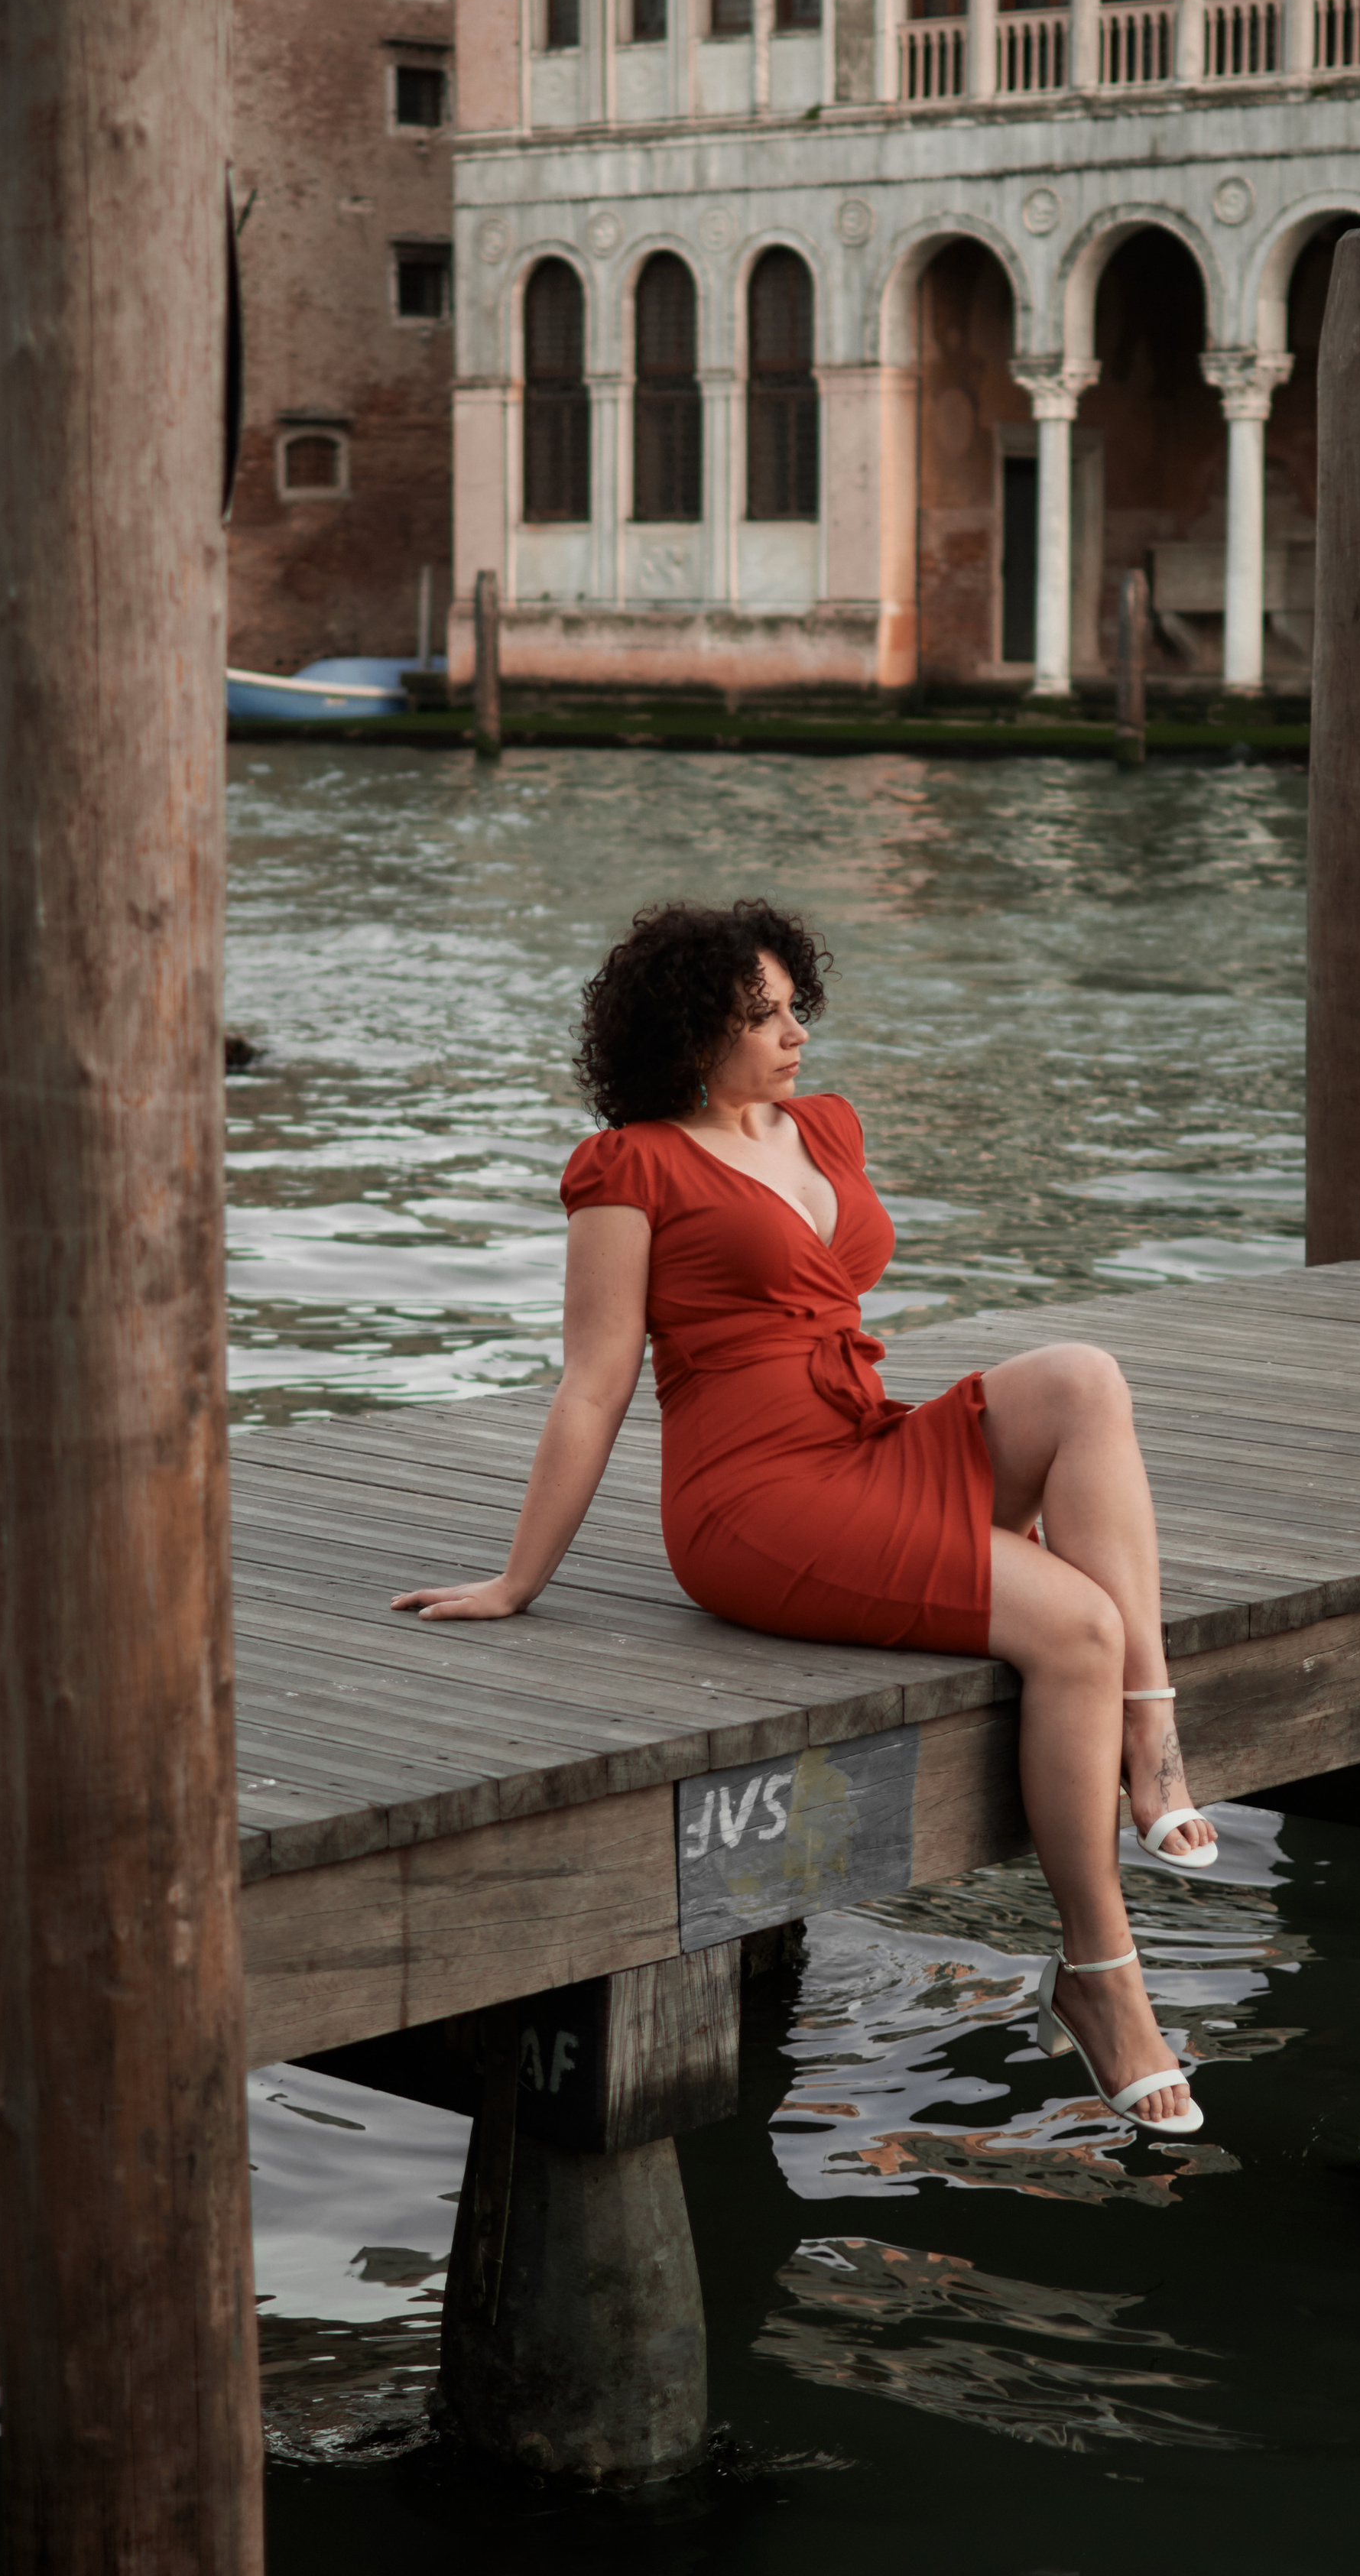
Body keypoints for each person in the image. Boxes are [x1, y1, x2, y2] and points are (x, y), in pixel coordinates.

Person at [393, 899, 1218, 2134]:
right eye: (760, 1017)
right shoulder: (631, 1167)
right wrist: (518, 1581)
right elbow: (595, 1380)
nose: (794, 1034)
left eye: (794, 1007)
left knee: (1084, 1376)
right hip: (754, 1504)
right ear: (688, 1037)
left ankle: (1152, 1741)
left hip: (865, 1442)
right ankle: (1105, 1983)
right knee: (1076, 1628)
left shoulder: (823, 1128)